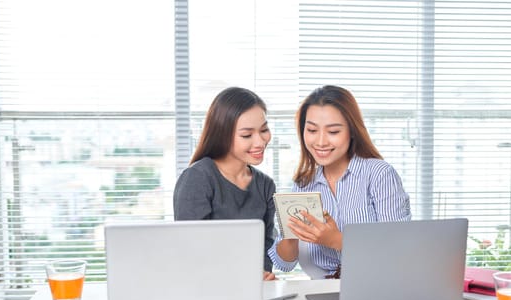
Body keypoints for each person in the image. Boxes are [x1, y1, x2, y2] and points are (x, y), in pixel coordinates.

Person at [268, 85, 411, 279]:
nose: (320, 142)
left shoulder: (378, 174)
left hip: (375, 286)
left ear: (352, 131)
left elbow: (398, 248)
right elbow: (284, 263)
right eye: (311, 130)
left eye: (333, 132)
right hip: (319, 290)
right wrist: (291, 237)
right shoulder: (303, 184)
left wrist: (337, 240)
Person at [173, 87, 277, 280]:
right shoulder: (198, 179)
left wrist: (263, 276)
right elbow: (190, 252)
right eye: (247, 135)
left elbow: (266, 245)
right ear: (222, 135)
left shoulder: (265, 185)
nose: (260, 142)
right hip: (207, 290)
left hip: (252, 291)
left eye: (264, 130)